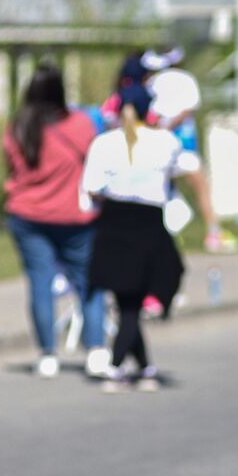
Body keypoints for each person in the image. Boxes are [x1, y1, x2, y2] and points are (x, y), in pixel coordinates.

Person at [2, 63, 109, 379]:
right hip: (74, 217)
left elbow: (12, 167)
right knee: (89, 282)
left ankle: (47, 354)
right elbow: (94, 162)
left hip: (27, 215)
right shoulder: (80, 124)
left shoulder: (19, 127)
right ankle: (96, 350)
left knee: (40, 283)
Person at [82, 83, 189, 392]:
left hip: (113, 222)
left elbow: (91, 187)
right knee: (133, 302)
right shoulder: (165, 141)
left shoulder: (103, 143)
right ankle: (118, 367)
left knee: (126, 300)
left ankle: (144, 368)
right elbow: (177, 170)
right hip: (148, 223)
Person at [143, 48, 238, 253]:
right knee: (202, 190)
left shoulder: (152, 82)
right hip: (183, 144)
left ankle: (162, 235)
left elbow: (149, 112)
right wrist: (170, 125)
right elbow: (188, 110)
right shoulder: (185, 79)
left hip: (158, 144)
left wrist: (161, 127)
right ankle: (213, 233)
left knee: (159, 192)